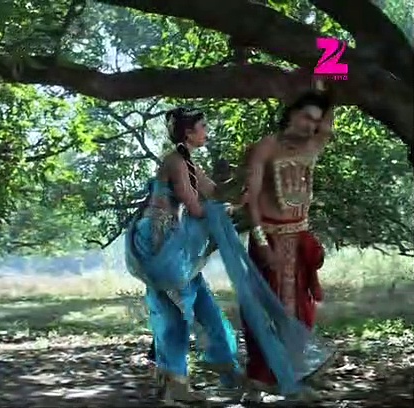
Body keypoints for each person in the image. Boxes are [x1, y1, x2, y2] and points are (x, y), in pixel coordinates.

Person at [125, 106, 335, 405]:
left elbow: (213, 191)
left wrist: (241, 189)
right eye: (203, 126)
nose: (207, 131)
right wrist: (230, 207)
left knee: (206, 311)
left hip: (182, 249)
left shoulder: (189, 162)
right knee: (175, 313)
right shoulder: (176, 162)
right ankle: (175, 385)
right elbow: (196, 208)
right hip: (164, 247)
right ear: (189, 132)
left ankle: (226, 373)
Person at [241, 89, 336, 401]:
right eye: (307, 117)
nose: (311, 126)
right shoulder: (265, 147)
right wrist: (261, 244)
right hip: (268, 238)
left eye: (316, 122)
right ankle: (259, 381)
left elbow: (331, 103)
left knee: (301, 312)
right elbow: (252, 199)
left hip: (299, 240)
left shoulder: (314, 144)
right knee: (266, 310)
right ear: (291, 113)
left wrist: (327, 70)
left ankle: (296, 376)